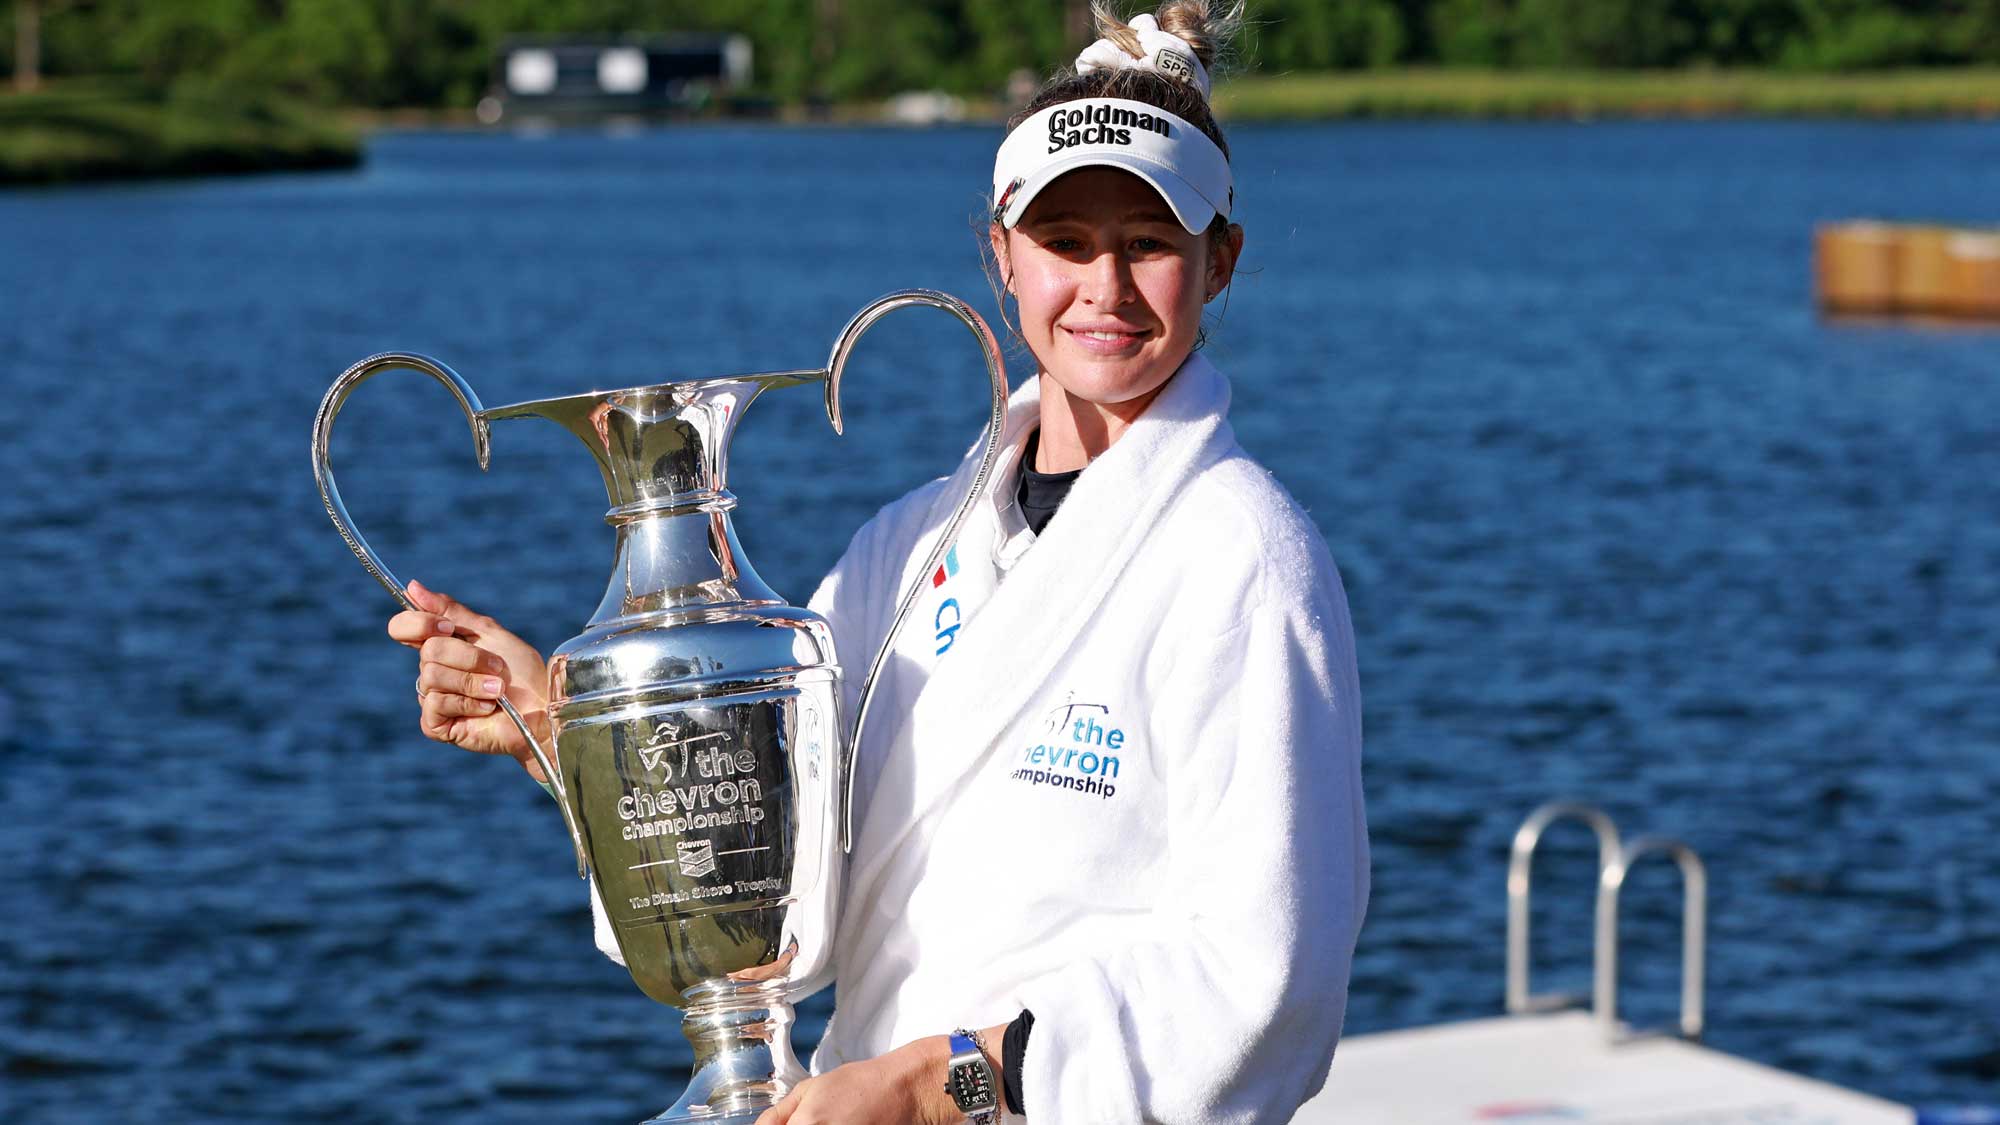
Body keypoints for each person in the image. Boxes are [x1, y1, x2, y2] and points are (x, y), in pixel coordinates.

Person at [389, 3, 1368, 1121]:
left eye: (1146, 244)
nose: (1104, 287)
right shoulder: (906, 548)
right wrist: (572, 735)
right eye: (1064, 243)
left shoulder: (1241, 557)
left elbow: (1263, 987)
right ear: (999, 256)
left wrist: (934, 1088)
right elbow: (774, 885)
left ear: (1220, 260)